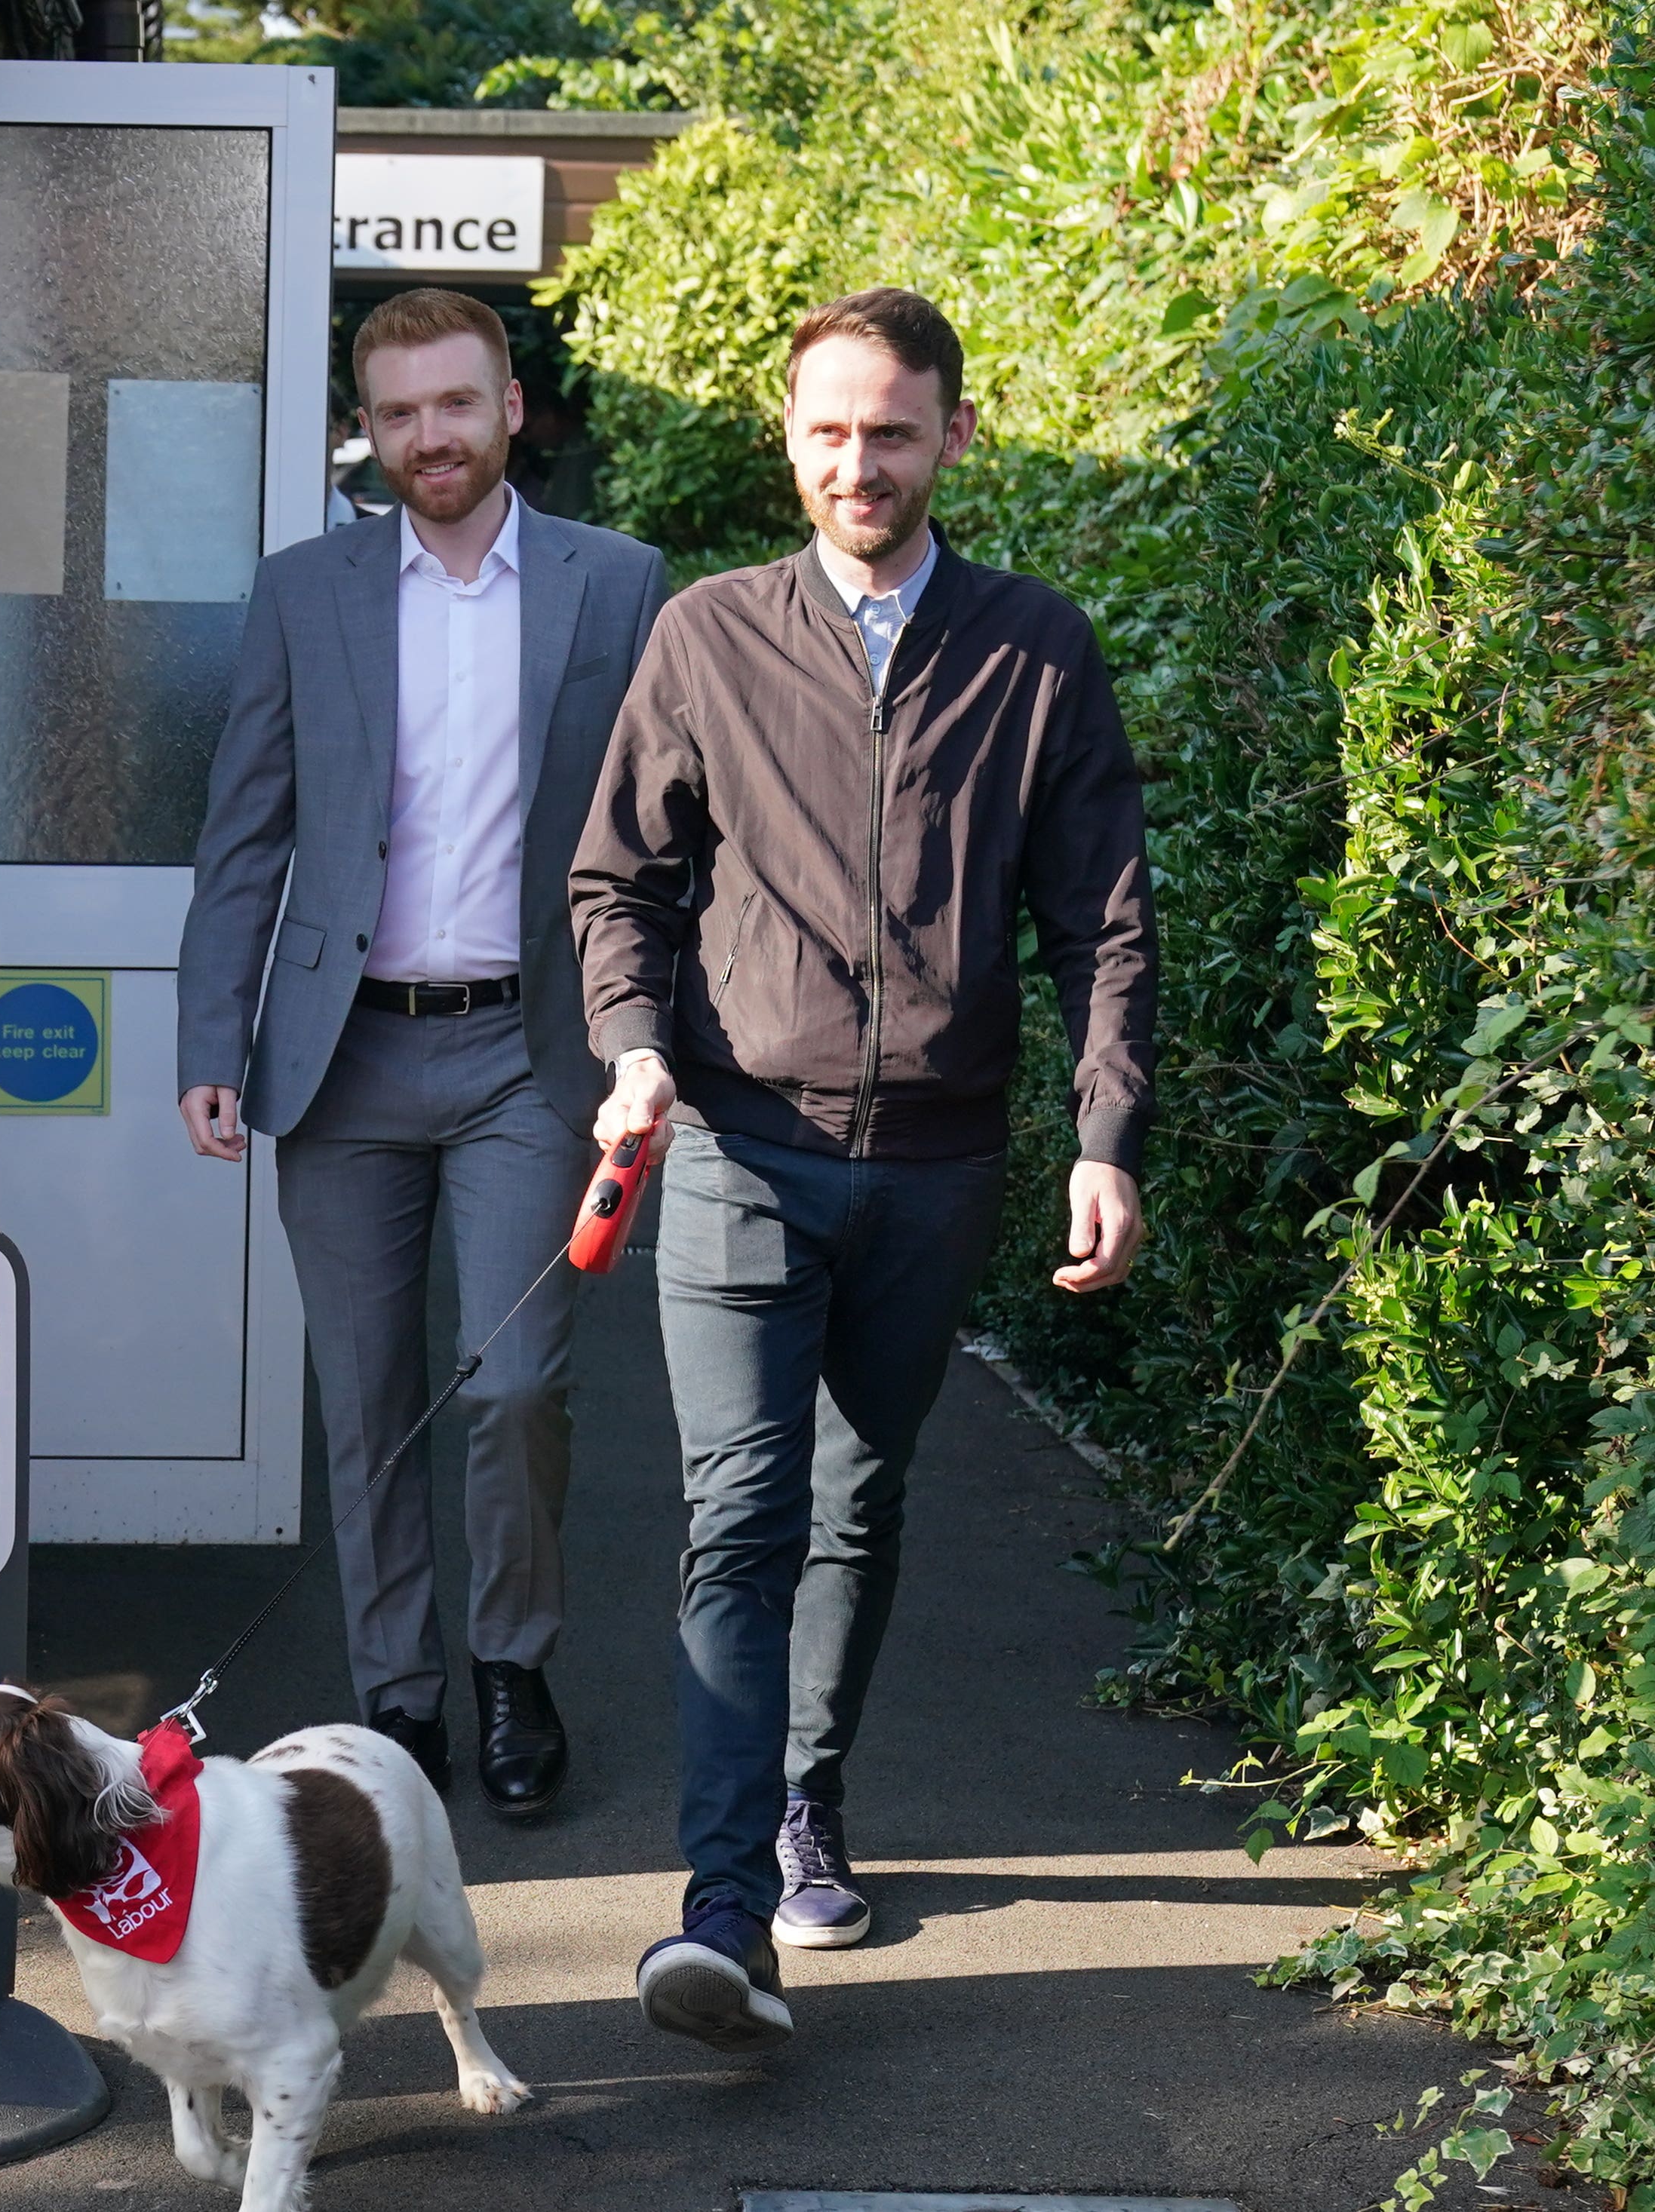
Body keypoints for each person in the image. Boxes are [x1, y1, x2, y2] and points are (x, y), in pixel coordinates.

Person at [571, 287, 1158, 2051]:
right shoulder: (705, 639)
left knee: (855, 1504)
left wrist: (1101, 1133)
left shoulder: (1036, 649)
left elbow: (1105, 926)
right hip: (742, 1150)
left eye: (892, 431)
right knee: (738, 1517)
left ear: (951, 438)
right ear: (787, 434)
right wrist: (635, 1052)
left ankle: (807, 1798)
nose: (858, 463)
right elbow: (621, 885)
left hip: (936, 1171)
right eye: (828, 430)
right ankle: (722, 1912)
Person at [177, 287, 668, 1821]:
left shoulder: (616, 585)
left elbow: (657, 835)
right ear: (368, 429)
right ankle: (394, 1697)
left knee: (515, 1385)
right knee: (365, 1395)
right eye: (396, 415)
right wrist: (213, 1032)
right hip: (342, 1058)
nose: (427, 438)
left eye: (453, 405)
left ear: (509, 408)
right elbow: (245, 831)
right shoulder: (305, 590)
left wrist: (650, 1040)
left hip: (528, 1056)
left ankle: (509, 1667)